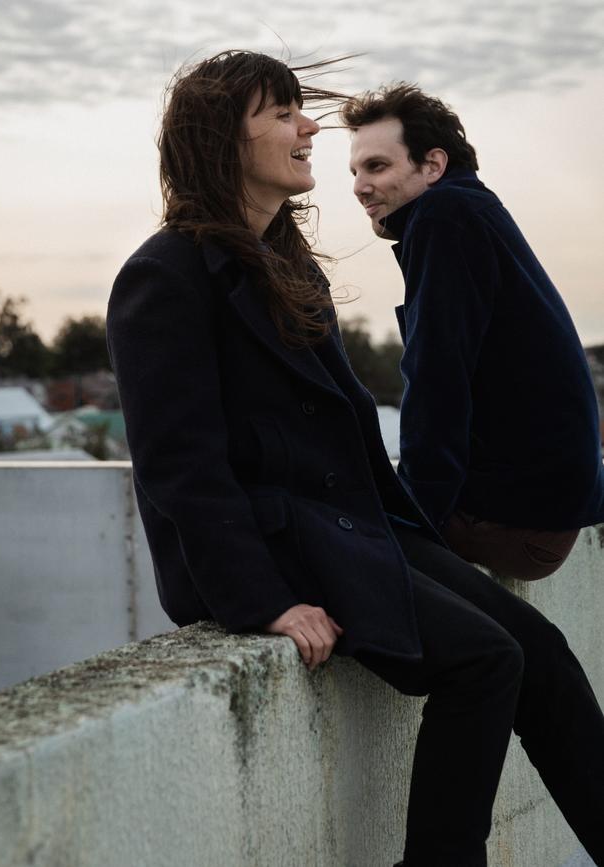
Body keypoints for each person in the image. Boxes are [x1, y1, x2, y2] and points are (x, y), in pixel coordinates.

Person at [107, 52, 604, 867]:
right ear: (222, 140)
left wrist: (424, 540)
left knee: (539, 653)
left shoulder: (288, 263)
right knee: (486, 660)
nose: (308, 129)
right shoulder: (162, 276)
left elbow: (352, 443)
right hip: (278, 546)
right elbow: (179, 467)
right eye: (282, 113)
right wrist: (261, 600)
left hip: (351, 525)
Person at [344, 84, 604, 581]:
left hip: (516, 522)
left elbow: (437, 381)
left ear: (433, 165)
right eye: (355, 171)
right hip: (547, 510)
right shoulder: (470, 211)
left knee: (327, 520)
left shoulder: (444, 218)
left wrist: (415, 522)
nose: (358, 186)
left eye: (376, 167)